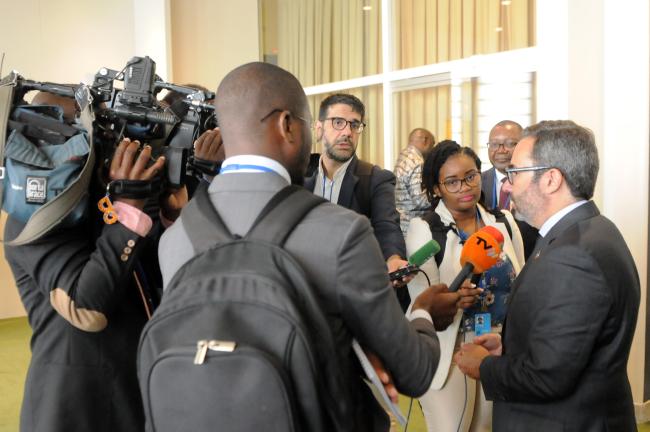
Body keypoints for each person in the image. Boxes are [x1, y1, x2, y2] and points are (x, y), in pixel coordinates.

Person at [157, 62, 456, 430]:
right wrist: (424, 313)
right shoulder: (342, 232)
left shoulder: (175, 237)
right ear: (288, 125)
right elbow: (412, 371)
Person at [4, 92, 184, 431]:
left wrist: (168, 212)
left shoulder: (105, 198)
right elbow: (87, 307)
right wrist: (129, 203)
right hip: (77, 408)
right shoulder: (34, 216)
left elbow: (154, 278)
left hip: (133, 393)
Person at [455, 120, 640, 431]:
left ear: (552, 179)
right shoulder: (587, 230)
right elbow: (568, 344)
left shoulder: (573, 256)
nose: (507, 185)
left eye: (515, 173)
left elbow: (548, 376)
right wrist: (508, 347)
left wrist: (485, 366)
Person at [406, 140, 525, 432]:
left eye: (470, 177)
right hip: (450, 350)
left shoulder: (503, 222)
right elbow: (423, 304)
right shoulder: (424, 229)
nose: (465, 187)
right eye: (452, 182)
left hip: (497, 348)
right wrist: (455, 299)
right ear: (436, 188)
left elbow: (523, 281)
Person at [303, 93, 412, 309]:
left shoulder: (375, 179)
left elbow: (386, 226)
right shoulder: (297, 173)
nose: (347, 132)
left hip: (352, 298)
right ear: (318, 129)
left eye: (354, 125)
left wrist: (392, 259)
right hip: (304, 294)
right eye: (337, 123)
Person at [481, 120, 538, 260]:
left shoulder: (537, 183)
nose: (501, 150)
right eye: (494, 144)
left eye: (510, 143)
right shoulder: (477, 183)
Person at [394, 127, 436, 234]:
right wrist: (439, 196)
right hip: (413, 225)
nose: (432, 150)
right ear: (425, 140)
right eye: (432, 145)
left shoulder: (403, 156)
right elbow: (420, 201)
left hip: (401, 221)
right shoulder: (418, 161)